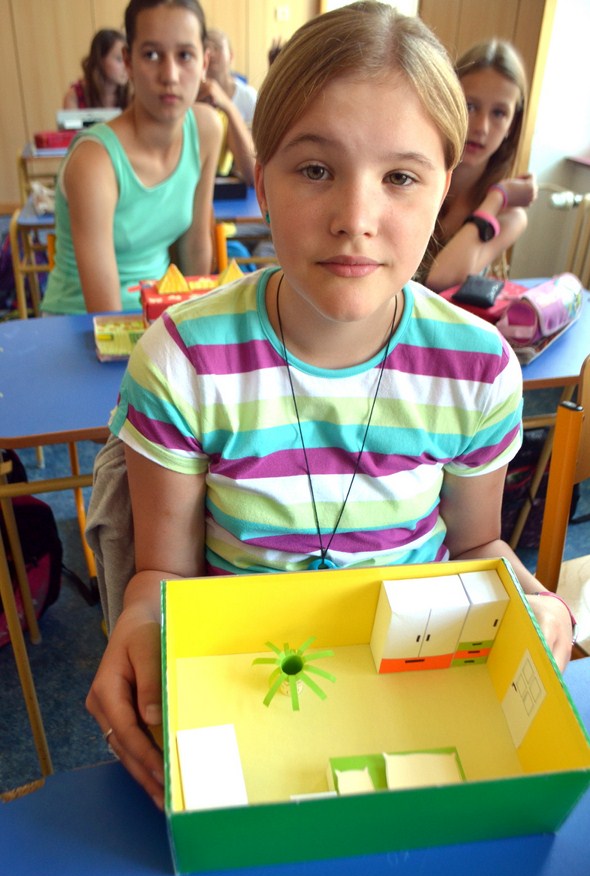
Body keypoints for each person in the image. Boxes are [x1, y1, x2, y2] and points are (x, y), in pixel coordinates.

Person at [86, 1, 575, 809]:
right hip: (245, 688)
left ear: (444, 191)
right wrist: (140, 622)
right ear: (263, 184)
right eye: (315, 170)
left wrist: (532, 600)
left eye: (401, 178)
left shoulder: (478, 370)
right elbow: (161, 576)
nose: (355, 220)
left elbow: (476, 544)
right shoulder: (183, 363)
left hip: (417, 686)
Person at [42, 0, 221, 315]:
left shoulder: (206, 129)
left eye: (185, 55)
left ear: (204, 62)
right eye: (151, 55)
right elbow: (105, 316)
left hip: (157, 311)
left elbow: (195, 245)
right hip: (80, 322)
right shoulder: (94, 160)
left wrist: (195, 322)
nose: (170, 75)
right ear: (128, 61)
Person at [423, 39, 538, 293]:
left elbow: (440, 278)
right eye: (470, 106)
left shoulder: (508, 216)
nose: (481, 127)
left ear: (512, 125)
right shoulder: (414, 176)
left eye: (499, 113)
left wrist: (496, 198)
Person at [197, 26, 256, 184]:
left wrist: (227, 106)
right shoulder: (188, 100)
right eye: (206, 48)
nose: (211, 53)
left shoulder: (248, 97)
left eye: (217, 47)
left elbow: (253, 170)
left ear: (230, 55)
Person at [63, 28, 130, 110]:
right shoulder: (75, 96)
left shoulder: (132, 95)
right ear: (100, 59)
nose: (126, 66)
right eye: (119, 59)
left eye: (128, 59)